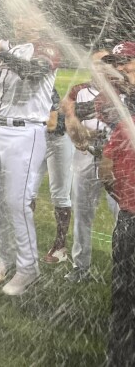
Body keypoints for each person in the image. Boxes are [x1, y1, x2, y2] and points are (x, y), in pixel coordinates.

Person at [0, 13, 60, 295]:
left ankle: (28, 267)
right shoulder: (6, 44)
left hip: (26, 132)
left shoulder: (48, 48)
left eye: (29, 15)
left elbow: (32, 72)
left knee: (16, 202)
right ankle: (6, 259)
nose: (21, 20)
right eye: (20, 15)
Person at [63, 47, 128, 282]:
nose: (100, 68)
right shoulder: (79, 90)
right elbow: (68, 118)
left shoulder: (125, 91)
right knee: (82, 213)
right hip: (86, 159)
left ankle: (122, 267)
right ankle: (81, 267)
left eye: (105, 63)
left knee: (122, 214)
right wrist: (78, 133)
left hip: (114, 162)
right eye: (96, 63)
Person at [99, 101, 135, 366]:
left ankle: (119, 358)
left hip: (128, 222)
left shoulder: (126, 124)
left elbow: (105, 170)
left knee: (123, 298)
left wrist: (123, 200)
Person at [39, 90, 74, 264]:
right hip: (37, 138)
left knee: (59, 194)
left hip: (58, 139)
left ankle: (60, 247)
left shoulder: (47, 88)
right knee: (26, 191)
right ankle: (25, 243)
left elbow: (52, 124)